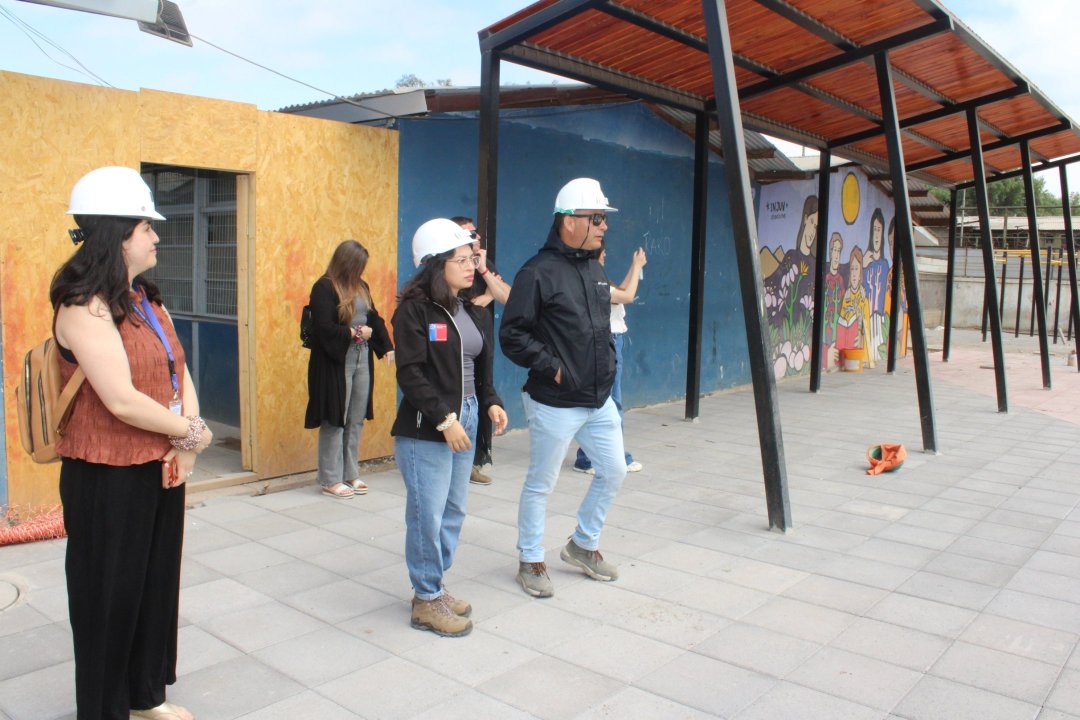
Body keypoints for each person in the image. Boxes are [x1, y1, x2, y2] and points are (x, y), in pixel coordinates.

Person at [52, 166, 214, 720]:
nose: (155, 236)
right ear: (117, 233)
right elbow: (120, 399)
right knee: (108, 598)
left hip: (158, 466)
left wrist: (186, 440)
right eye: (147, 226)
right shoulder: (83, 304)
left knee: (154, 586)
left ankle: (146, 697)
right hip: (107, 476)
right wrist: (190, 432)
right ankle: (104, 710)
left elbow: (177, 368)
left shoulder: (144, 297)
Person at [500, 177, 628, 598]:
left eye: (604, 219)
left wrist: (607, 365)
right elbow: (512, 334)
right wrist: (553, 368)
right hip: (555, 401)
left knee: (614, 470)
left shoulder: (595, 268)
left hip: (598, 399)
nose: (604, 226)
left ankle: (583, 545)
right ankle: (530, 559)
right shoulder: (536, 272)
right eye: (597, 218)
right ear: (569, 221)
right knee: (542, 482)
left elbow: (601, 327)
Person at [392, 218, 508, 636]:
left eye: (472, 258)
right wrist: (445, 418)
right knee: (427, 514)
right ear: (435, 264)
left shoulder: (470, 310)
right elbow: (410, 373)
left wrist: (491, 402)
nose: (471, 266)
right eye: (461, 260)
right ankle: (426, 598)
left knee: (454, 510)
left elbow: (480, 368)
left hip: (469, 417)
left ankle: (433, 586)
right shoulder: (414, 311)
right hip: (428, 427)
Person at [304, 240, 394, 498]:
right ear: (346, 263)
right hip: (335, 361)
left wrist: (386, 346)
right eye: (358, 266)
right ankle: (330, 478)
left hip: (362, 357)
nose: (361, 271)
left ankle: (350, 473)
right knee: (335, 418)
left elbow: (374, 317)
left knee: (355, 418)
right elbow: (323, 328)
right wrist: (355, 332)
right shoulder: (323, 287)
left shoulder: (361, 287)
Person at [573, 243, 647, 475]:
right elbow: (627, 296)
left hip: (612, 340)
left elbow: (620, 292)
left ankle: (592, 456)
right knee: (611, 402)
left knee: (609, 401)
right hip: (607, 341)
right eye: (602, 249)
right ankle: (600, 457)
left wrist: (633, 267)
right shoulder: (592, 281)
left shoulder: (598, 278)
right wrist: (637, 266)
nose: (605, 253)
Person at [451, 216, 511, 486]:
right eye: (468, 234)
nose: (475, 238)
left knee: (482, 390)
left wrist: (485, 271)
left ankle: (473, 462)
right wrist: (487, 296)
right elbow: (462, 306)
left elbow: (508, 296)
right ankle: (453, 457)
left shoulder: (482, 264)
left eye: (475, 233)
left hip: (483, 337)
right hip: (459, 341)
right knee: (459, 392)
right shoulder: (451, 267)